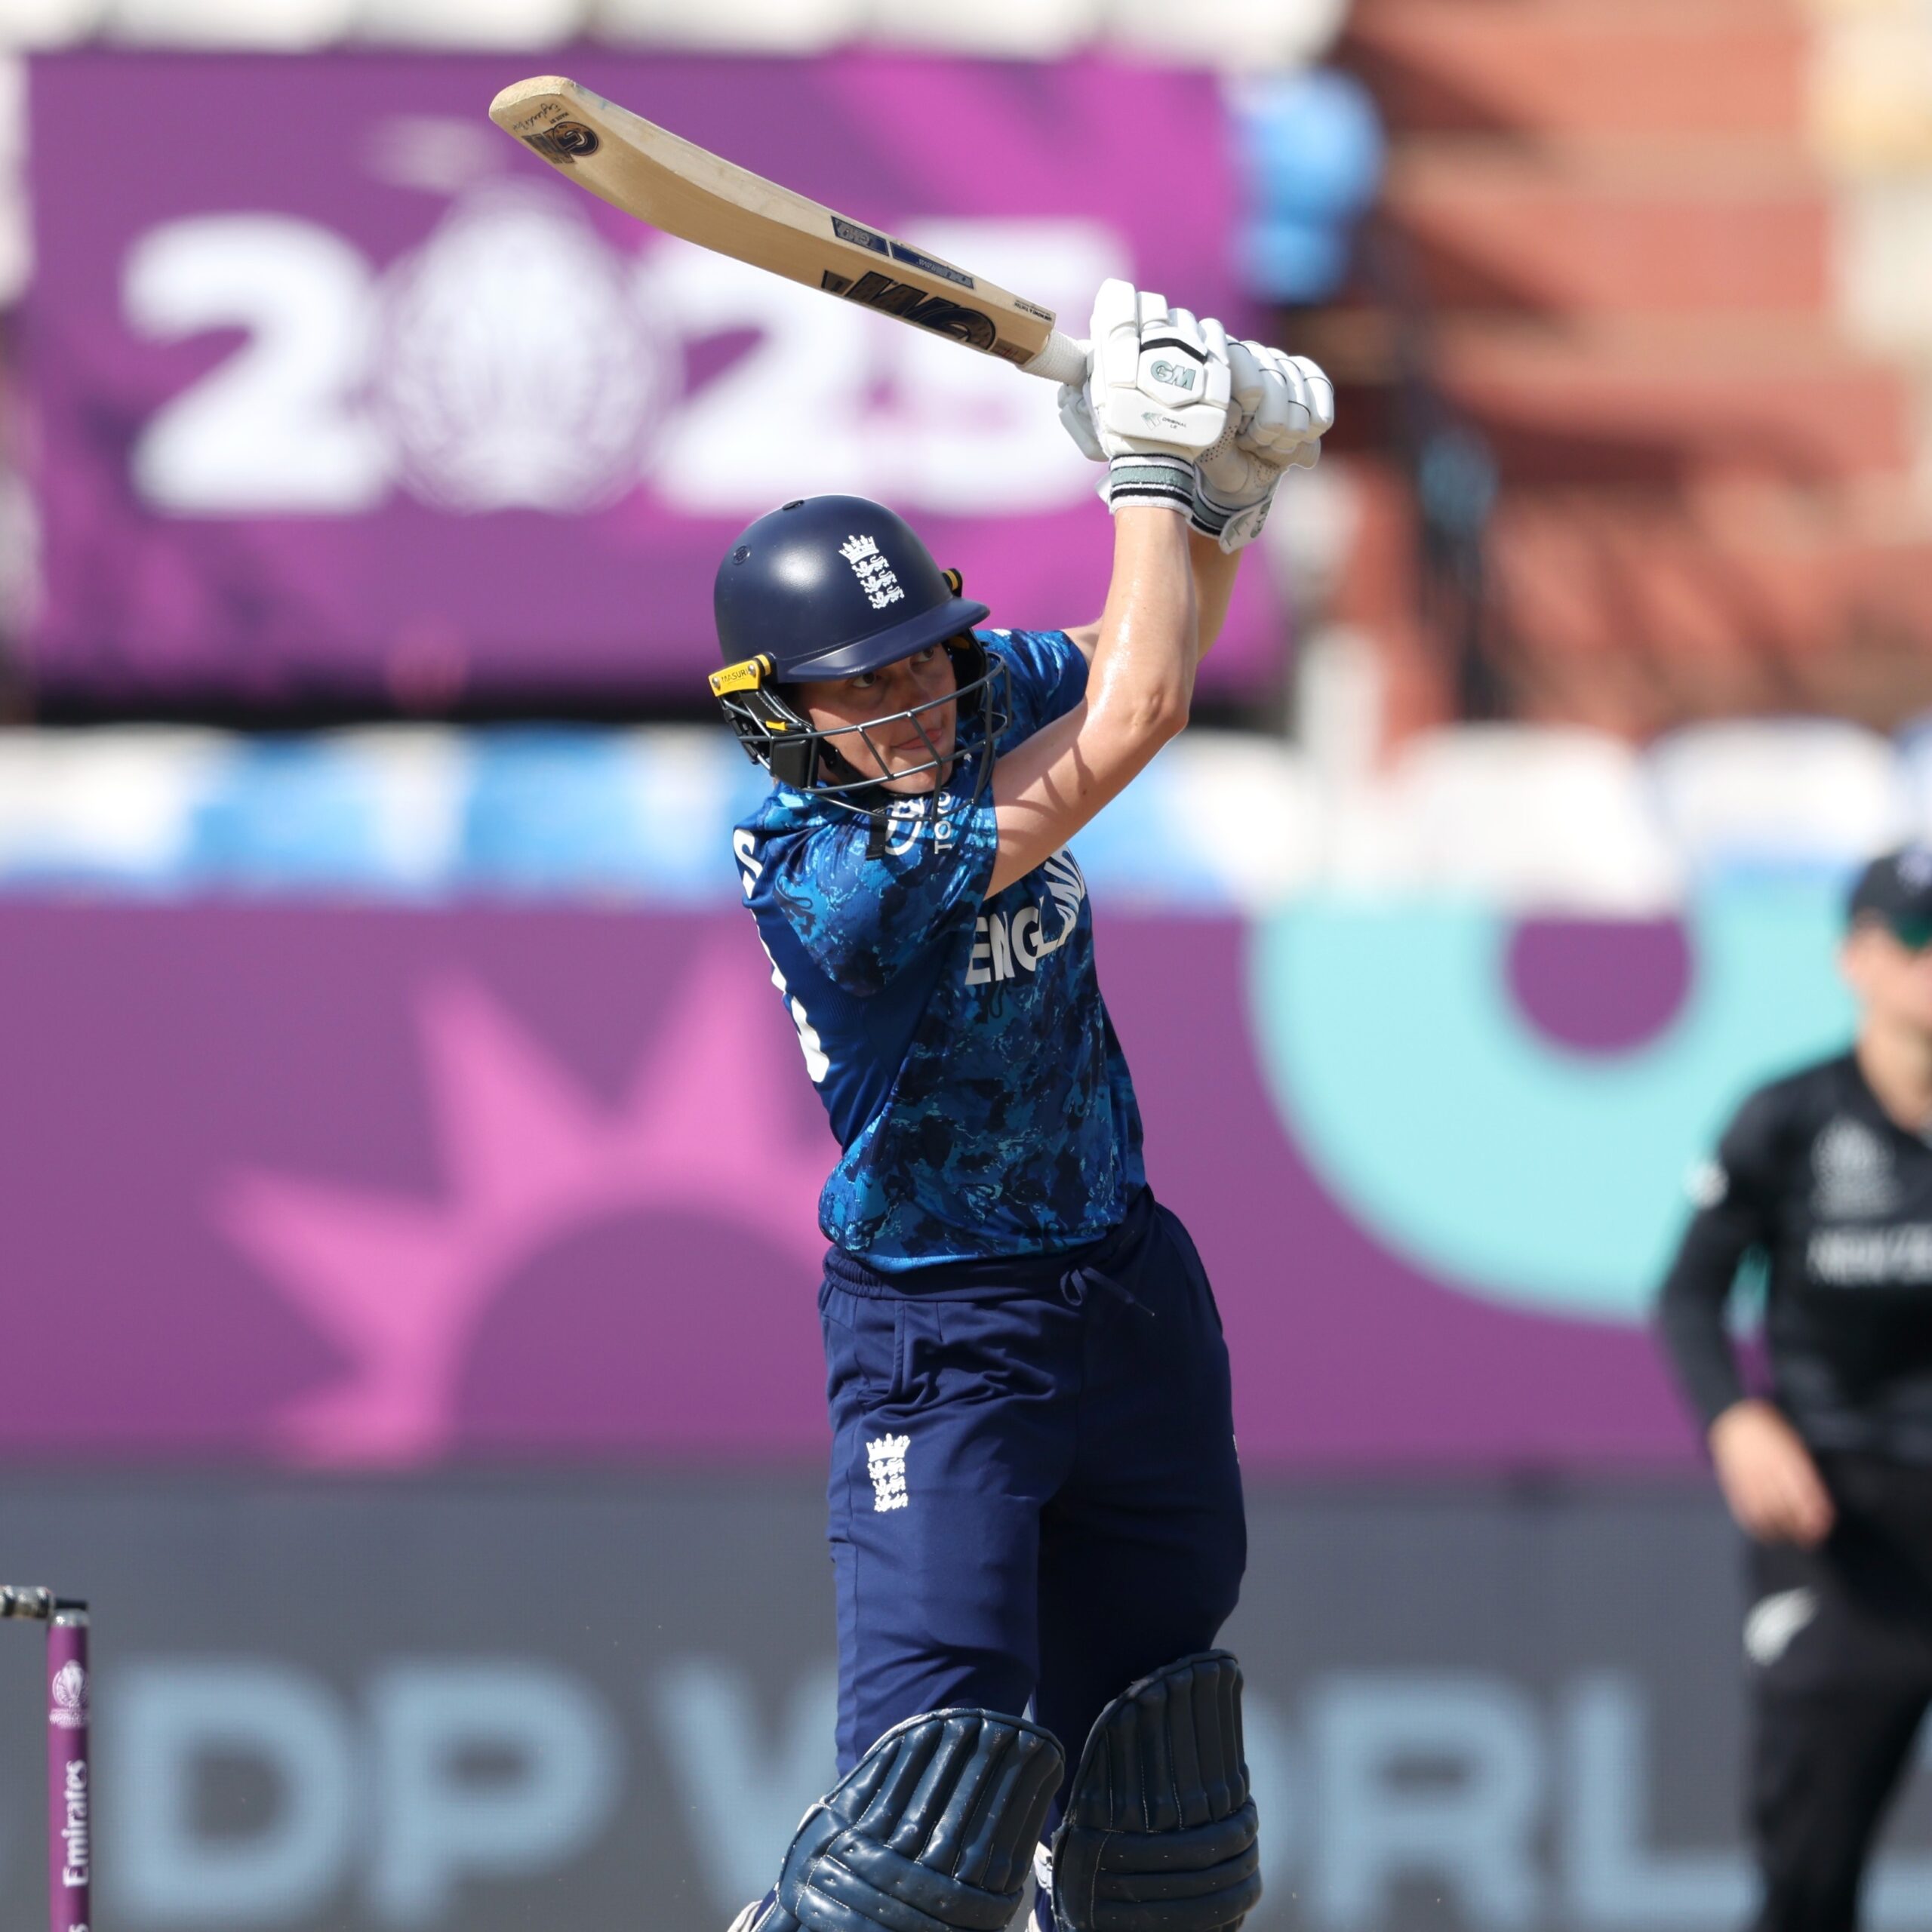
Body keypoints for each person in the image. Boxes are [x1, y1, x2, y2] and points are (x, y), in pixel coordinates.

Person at [706, 281, 1331, 1932]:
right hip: (941, 1334)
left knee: (1161, 1830)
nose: (908, 708)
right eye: (860, 690)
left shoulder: (974, 694)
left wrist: (1226, 485)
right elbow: (1137, 713)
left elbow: (1151, 638)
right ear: (778, 709)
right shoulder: (825, 873)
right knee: (918, 1841)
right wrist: (1146, 466)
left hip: (1125, 1295)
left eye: (921, 664)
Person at [1657, 848, 1932, 1932]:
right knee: (1809, 1876)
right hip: (1839, 1521)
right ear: (1857, 959)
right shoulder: (1792, 1119)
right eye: (1917, 939)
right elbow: (1689, 1296)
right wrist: (1737, 1418)